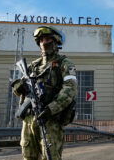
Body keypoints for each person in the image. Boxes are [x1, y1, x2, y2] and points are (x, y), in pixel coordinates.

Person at [11, 26, 77, 160]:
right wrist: (20, 86)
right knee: (28, 155)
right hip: (29, 119)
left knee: (50, 155)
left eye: (47, 39)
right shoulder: (32, 66)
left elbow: (70, 89)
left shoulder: (64, 64)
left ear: (55, 42)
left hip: (50, 119)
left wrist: (51, 108)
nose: (44, 43)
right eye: (41, 40)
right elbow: (17, 89)